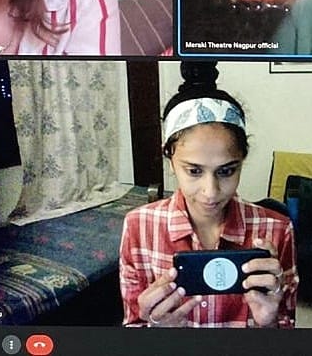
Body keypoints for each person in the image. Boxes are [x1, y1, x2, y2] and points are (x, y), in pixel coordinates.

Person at [119, 62, 297, 328]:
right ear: (170, 158)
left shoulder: (277, 230)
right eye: (193, 170)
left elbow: (287, 329)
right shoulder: (138, 227)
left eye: (226, 171)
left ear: (242, 159)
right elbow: (133, 326)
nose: (211, 192)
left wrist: (269, 323)